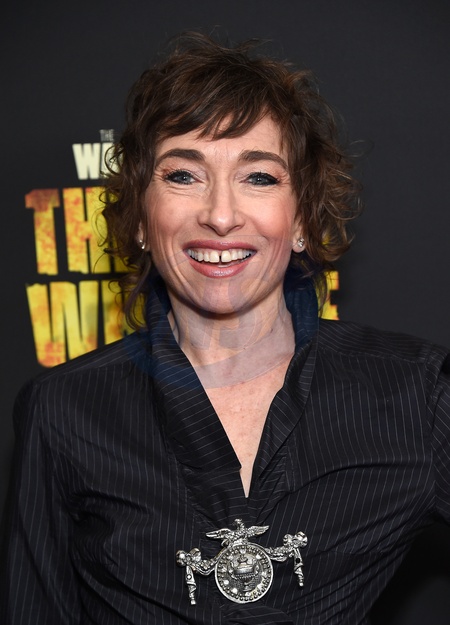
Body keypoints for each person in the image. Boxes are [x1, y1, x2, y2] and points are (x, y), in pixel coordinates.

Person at [1, 31, 449, 625]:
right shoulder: (63, 409)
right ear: (140, 217)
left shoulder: (414, 394)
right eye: (183, 175)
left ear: (302, 218)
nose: (219, 215)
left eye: (258, 177)